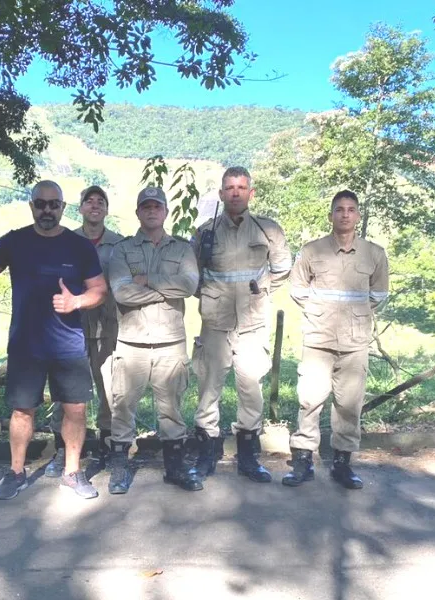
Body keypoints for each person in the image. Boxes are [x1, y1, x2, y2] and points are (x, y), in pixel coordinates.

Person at [0, 180, 108, 500]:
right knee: (23, 410)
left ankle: (72, 471)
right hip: (26, 344)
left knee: (76, 410)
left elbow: (99, 290)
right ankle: (15, 472)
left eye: (54, 204)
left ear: (63, 208)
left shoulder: (79, 246)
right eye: (41, 203)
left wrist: (77, 302)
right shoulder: (15, 242)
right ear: (32, 206)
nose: (47, 210)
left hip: (68, 345)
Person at [283, 190, 389, 490]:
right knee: (310, 400)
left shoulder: (374, 254)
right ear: (330, 215)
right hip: (318, 339)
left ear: (358, 216)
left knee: (349, 404)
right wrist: (322, 313)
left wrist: (354, 315)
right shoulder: (311, 251)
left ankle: (343, 464)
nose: (345, 214)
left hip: (355, 343)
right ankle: (302, 461)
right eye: (339, 209)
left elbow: (378, 295)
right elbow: (298, 289)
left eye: (351, 209)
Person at [191, 166, 291, 482]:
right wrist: (210, 295)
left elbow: (282, 269)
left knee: (251, 390)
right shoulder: (205, 233)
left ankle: (249, 459)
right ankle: (206, 455)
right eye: (229, 187)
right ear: (221, 194)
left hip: (252, 324)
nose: (235, 192)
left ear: (251, 193)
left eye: (241, 187)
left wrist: (261, 292)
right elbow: (192, 277)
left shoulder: (268, 230)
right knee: (209, 389)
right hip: (216, 324)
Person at [106, 186, 203, 494]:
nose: (151, 211)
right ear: (138, 212)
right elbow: (121, 292)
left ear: (165, 211)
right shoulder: (122, 250)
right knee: (122, 406)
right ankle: (120, 466)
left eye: (157, 206)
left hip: (170, 343)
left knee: (172, 408)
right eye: (145, 207)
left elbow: (188, 285)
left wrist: (147, 281)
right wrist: (165, 289)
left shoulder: (182, 249)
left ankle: (175, 467)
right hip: (132, 343)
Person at [44, 185, 124, 477]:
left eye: (100, 201)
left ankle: (105, 447)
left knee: (110, 393)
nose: (94, 206)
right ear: (80, 208)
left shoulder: (119, 244)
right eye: (88, 201)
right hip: (70, 329)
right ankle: (62, 450)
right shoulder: (65, 241)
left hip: (107, 328)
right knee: (65, 393)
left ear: (106, 208)